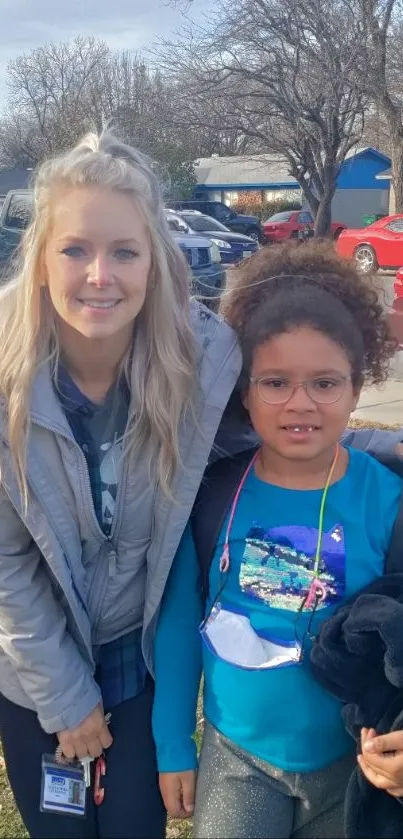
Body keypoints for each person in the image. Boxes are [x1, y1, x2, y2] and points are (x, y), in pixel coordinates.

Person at [0, 130, 246, 839]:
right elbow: (7, 565)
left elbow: (277, 434)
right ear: (42, 258)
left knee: (135, 827)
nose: (99, 275)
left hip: (140, 658)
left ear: (154, 262)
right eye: (75, 249)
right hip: (39, 662)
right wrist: (67, 700)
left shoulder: (203, 361)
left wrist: (378, 444)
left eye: (124, 251)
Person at [152, 241, 403, 839]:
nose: (300, 403)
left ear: (356, 385)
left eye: (324, 382)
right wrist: (172, 745)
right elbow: (177, 624)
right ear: (244, 391)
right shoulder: (209, 496)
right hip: (238, 760)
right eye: (275, 382)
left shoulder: (389, 502)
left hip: (352, 764)